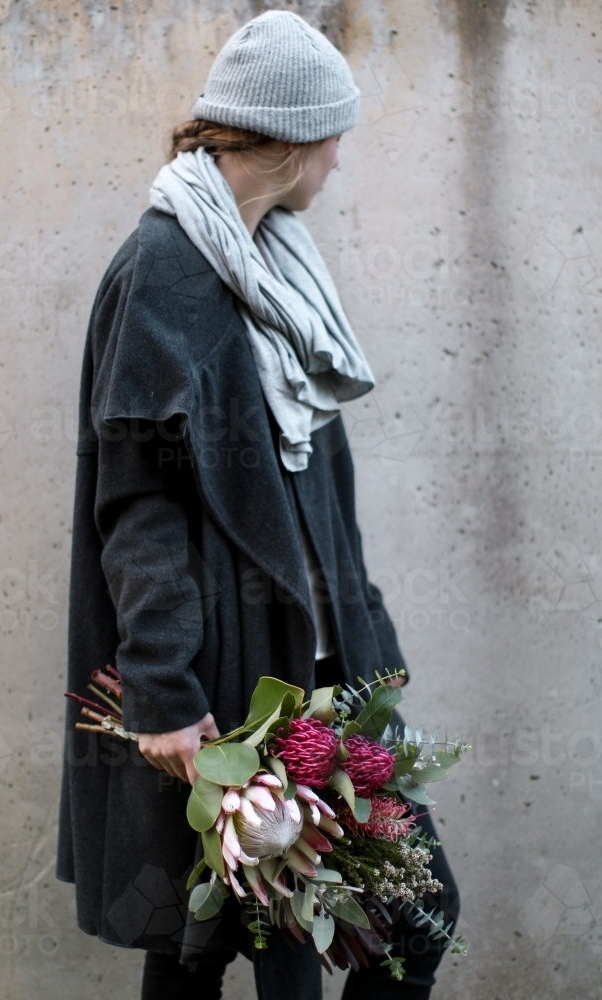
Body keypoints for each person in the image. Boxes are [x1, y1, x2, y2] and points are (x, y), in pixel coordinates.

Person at [56, 10, 459, 1000]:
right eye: (332, 136)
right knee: (220, 943)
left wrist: (372, 662)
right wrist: (161, 689)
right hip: (228, 678)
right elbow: (139, 498)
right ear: (286, 140)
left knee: (389, 920)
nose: (337, 159)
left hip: (318, 669)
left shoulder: (270, 260)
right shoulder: (165, 269)